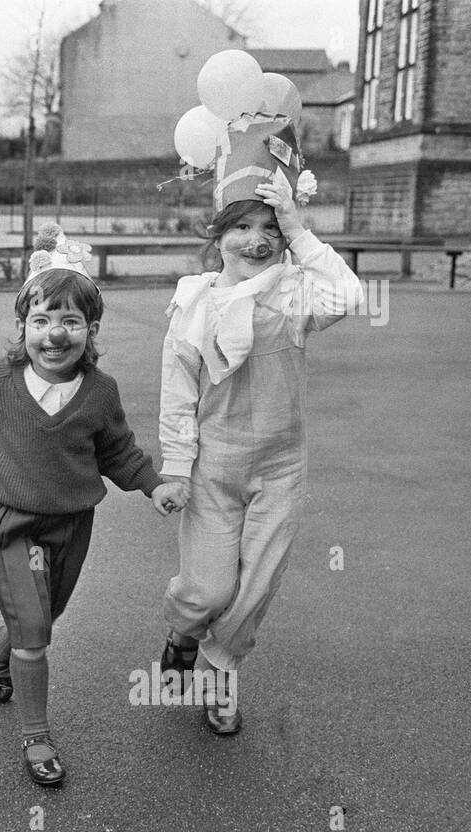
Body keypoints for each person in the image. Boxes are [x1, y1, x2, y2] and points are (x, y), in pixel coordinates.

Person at [0, 224, 186, 787]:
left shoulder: (100, 391)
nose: (54, 334)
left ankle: (3, 649)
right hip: (11, 521)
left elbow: (117, 450)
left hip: (72, 523)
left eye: (70, 321)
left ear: (91, 329)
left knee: (42, 618)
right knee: (35, 631)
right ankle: (36, 737)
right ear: (22, 326)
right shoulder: (3, 379)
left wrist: (154, 484)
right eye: (41, 320)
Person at [158, 110, 364, 735]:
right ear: (216, 235)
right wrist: (174, 466)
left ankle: (221, 672)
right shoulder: (196, 302)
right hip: (214, 467)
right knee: (209, 590)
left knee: (257, 588)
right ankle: (184, 630)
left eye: (268, 228)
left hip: (280, 467)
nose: (255, 240)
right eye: (240, 226)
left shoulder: (295, 292)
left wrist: (301, 230)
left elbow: (349, 297)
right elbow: (177, 392)